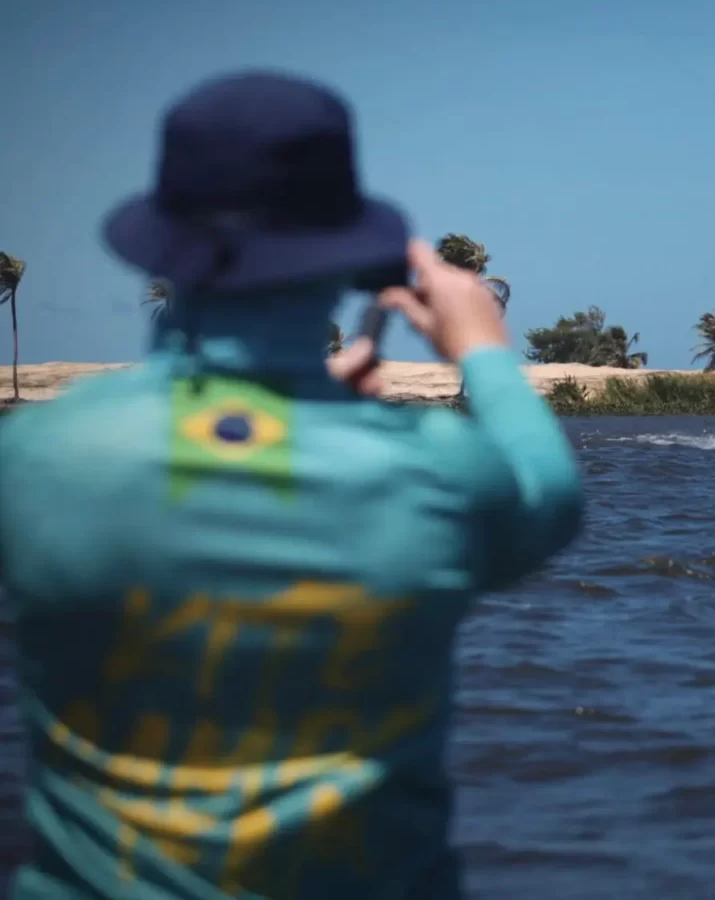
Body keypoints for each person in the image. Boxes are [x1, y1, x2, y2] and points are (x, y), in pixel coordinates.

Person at [0, 71, 584, 899]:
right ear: (350, 252)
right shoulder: (430, 466)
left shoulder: (39, 453)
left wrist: (284, 409)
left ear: (165, 246)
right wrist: (483, 350)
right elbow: (550, 495)